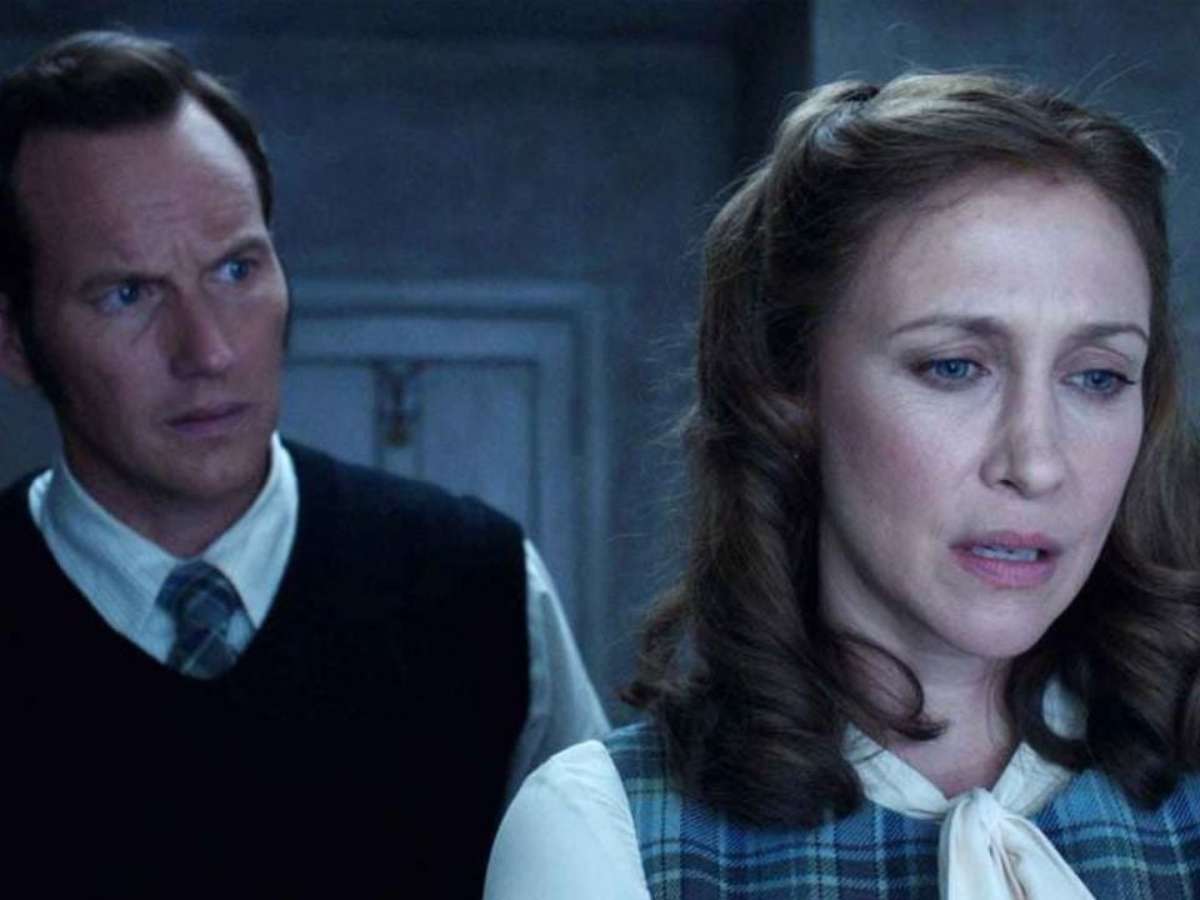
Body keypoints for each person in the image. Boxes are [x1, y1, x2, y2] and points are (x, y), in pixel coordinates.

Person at [486, 72, 1200, 898]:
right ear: (790, 387)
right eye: (954, 366)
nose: (1037, 463)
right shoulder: (604, 828)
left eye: (1098, 377)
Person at [0, 30, 607, 897]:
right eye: (127, 293)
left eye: (235, 270)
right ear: (15, 342)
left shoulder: (477, 586)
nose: (209, 350)